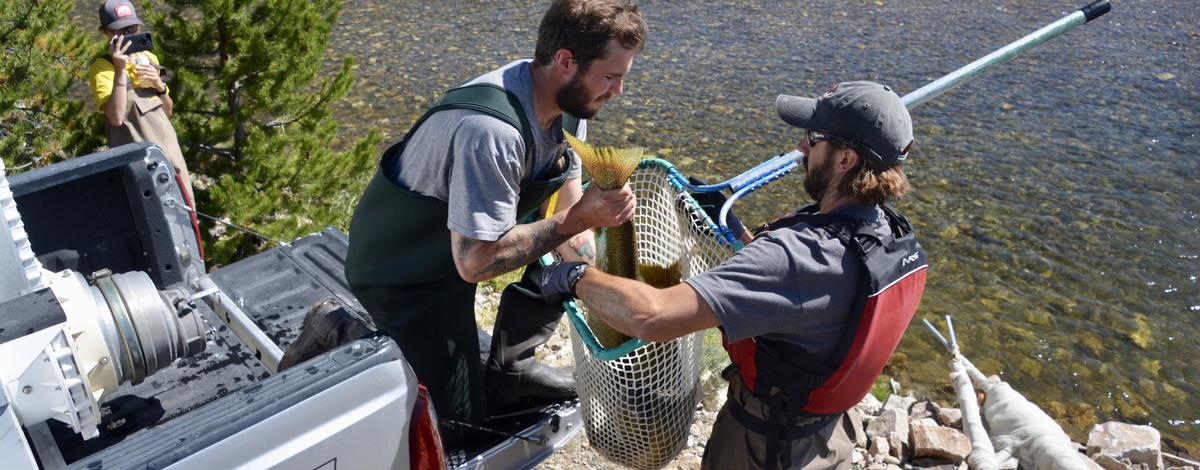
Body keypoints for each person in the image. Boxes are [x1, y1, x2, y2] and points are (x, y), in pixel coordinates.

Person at [539, 81, 929, 469]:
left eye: (814, 138)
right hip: (830, 436)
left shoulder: (797, 257)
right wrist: (738, 238)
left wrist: (573, 277)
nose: (802, 148)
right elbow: (806, 299)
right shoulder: (892, 235)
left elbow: (651, 316)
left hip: (766, 447)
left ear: (846, 160)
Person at [342, 0, 646, 442]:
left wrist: (614, 293)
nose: (618, 91)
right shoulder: (494, 132)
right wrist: (574, 219)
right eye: (612, 77)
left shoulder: (570, 108)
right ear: (566, 61)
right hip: (402, 272)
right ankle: (340, 328)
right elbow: (475, 262)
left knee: (561, 263)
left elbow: (571, 220)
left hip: (457, 258)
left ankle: (511, 370)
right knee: (459, 425)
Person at [86, 0, 193, 203]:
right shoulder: (102, 68)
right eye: (121, 30)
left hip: (171, 154)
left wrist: (159, 86)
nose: (129, 34)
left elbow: (167, 112)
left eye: (132, 27)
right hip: (140, 165)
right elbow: (116, 118)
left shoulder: (149, 58)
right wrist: (119, 70)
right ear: (106, 32)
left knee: (186, 208)